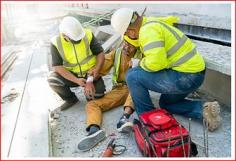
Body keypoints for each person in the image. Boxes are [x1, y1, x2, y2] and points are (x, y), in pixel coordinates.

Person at [111, 8, 221, 131]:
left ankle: (148, 118)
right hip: (194, 75)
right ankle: (203, 110)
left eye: (126, 34)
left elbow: (157, 63)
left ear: (130, 31)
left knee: (132, 76)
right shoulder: (150, 23)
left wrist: (139, 63)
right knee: (166, 104)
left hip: (186, 77)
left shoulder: (147, 31)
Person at [77, 36, 142, 152]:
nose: (126, 47)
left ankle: (124, 119)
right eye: (125, 43)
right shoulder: (116, 53)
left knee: (136, 85)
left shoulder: (143, 55)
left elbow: (153, 70)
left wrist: (140, 64)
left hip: (136, 88)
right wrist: (89, 81)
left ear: (137, 46)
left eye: (131, 46)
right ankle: (94, 130)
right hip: (119, 90)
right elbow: (100, 66)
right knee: (92, 104)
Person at [48, 16, 106, 111]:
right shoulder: (56, 42)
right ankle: (71, 99)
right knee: (53, 79)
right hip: (71, 76)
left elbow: (100, 53)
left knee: (98, 95)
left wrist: (95, 73)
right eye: (75, 40)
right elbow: (57, 67)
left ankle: (89, 93)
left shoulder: (87, 34)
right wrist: (77, 80)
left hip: (90, 74)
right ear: (64, 35)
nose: (78, 41)